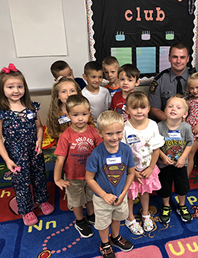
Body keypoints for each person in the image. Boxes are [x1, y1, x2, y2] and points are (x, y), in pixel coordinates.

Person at [148, 42, 198, 171]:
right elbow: (154, 110)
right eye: (175, 57)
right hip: (169, 124)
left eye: (182, 57)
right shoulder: (159, 80)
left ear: (188, 59)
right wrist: (173, 123)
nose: (178, 61)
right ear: (169, 58)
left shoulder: (197, 79)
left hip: (196, 125)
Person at [0, 64, 54, 226]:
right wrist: (7, 160)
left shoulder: (31, 106)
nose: (16, 90)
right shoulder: (2, 111)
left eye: (19, 86)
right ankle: (26, 209)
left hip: (34, 151)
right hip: (15, 154)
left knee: (39, 176)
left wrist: (39, 140)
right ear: (2, 89)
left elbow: (38, 127)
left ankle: (42, 200)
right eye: (10, 87)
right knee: (21, 181)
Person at [85, 110, 135, 258]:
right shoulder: (96, 155)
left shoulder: (126, 150)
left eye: (118, 132)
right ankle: (105, 243)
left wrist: (124, 193)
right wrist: (104, 195)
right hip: (102, 199)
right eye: (109, 134)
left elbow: (131, 173)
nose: (115, 137)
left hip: (121, 196)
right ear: (100, 133)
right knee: (103, 223)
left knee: (117, 218)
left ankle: (115, 237)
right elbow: (89, 179)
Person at [54, 95, 103, 238]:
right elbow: (60, 160)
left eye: (84, 114)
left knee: (90, 197)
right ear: (68, 115)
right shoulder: (66, 136)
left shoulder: (94, 132)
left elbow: (101, 152)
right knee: (76, 200)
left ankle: (91, 215)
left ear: (89, 113)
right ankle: (80, 221)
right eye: (75, 115)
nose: (80, 118)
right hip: (73, 176)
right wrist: (57, 179)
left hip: (91, 175)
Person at [122, 92, 164, 235]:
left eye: (143, 107)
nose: (139, 111)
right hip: (131, 170)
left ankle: (145, 213)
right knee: (130, 195)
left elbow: (156, 149)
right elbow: (123, 153)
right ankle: (130, 218)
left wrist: (151, 167)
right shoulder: (124, 128)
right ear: (127, 110)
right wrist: (132, 172)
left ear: (148, 109)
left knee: (145, 192)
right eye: (134, 108)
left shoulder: (152, 125)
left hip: (147, 168)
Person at [157, 95, 194, 224]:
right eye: (170, 106)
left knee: (182, 186)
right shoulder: (159, 127)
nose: (173, 109)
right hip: (164, 164)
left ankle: (182, 205)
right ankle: (166, 206)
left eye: (178, 107)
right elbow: (156, 145)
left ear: (184, 114)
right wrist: (162, 156)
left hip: (180, 164)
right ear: (165, 110)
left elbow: (190, 142)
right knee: (165, 186)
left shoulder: (186, 127)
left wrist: (183, 157)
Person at [82, 61, 111, 127]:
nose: (97, 80)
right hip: (90, 126)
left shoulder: (105, 91)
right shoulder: (83, 94)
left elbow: (108, 108)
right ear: (85, 77)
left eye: (100, 77)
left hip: (105, 124)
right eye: (93, 77)